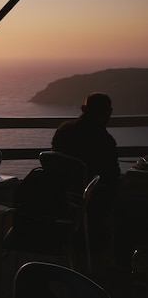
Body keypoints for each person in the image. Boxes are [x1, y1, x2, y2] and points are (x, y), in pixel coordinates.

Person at [51, 92, 120, 245]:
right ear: (108, 113)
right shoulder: (105, 140)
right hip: (88, 199)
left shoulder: (64, 130)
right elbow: (112, 176)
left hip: (58, 194)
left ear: (83, 109)